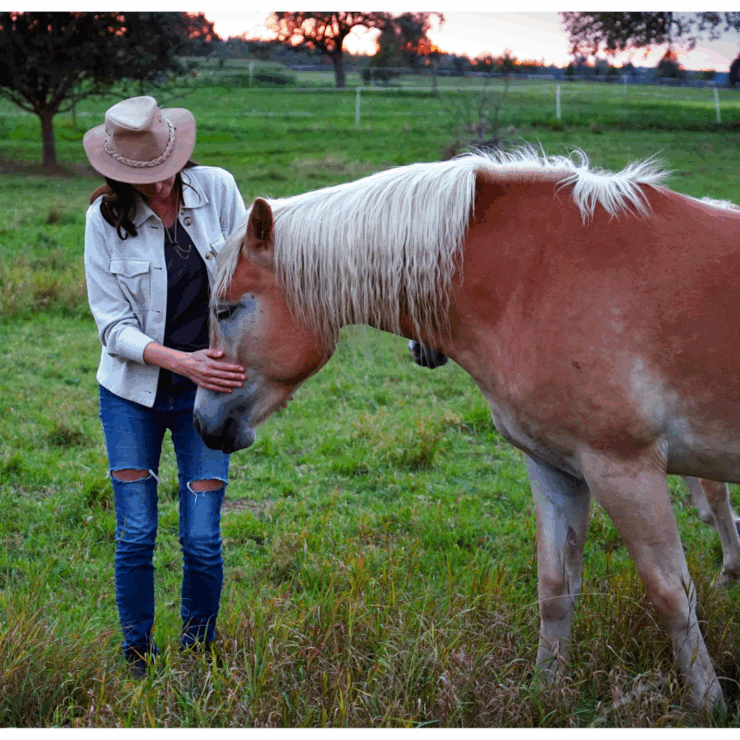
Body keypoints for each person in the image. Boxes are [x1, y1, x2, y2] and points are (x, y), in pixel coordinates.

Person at [83, 96, 248, 677]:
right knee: (136, 532)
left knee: (202, 536)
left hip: (209, 391)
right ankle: (136, 654)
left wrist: (224, 361)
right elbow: (112, 326)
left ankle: (198, 651)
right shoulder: (103, 219)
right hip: (132, 394)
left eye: (162, 169)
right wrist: (184, 362)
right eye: (142, 177)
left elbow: (246, 282)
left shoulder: (219, 190)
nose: (158, 185)